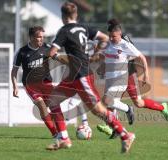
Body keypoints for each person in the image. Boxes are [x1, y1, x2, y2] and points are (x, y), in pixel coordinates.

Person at [46, 2, 135, 153]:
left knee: (98, 110)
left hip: (81, 75)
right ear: (76, 15)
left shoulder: (64, 31)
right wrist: (94, 53)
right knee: (52, 101)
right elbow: (105, 38)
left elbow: (52, 52)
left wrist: (61, 58)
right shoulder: (84, 28)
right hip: (73, 76)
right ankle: (64, 139)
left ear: (63, 17)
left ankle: (126, 135)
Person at [95, 19, 168, 138]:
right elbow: (105, 56)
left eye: (113, 34)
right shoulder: (108, 42)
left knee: (137, 103)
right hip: (112, 77)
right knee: (111, 104)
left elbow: (139, 56)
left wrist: (146, 74)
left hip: (128, 74)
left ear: (119, 31)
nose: (111, 37)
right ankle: (115, 129)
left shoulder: (125, 42)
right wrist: (102, 66)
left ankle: (161, 107)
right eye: (109, 34)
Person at [11, 26, 61, 139]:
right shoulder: (22, 52)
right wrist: (15, 87)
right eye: (39, 37)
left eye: (43, 37)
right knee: (42, 106)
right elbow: (14, 71)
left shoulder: (47, 48)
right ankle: (55, 133)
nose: (41, 39)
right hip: (31, 85)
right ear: (32, 37)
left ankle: (60, 129)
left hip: (46, 83)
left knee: (53, 107)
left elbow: (58, 57)